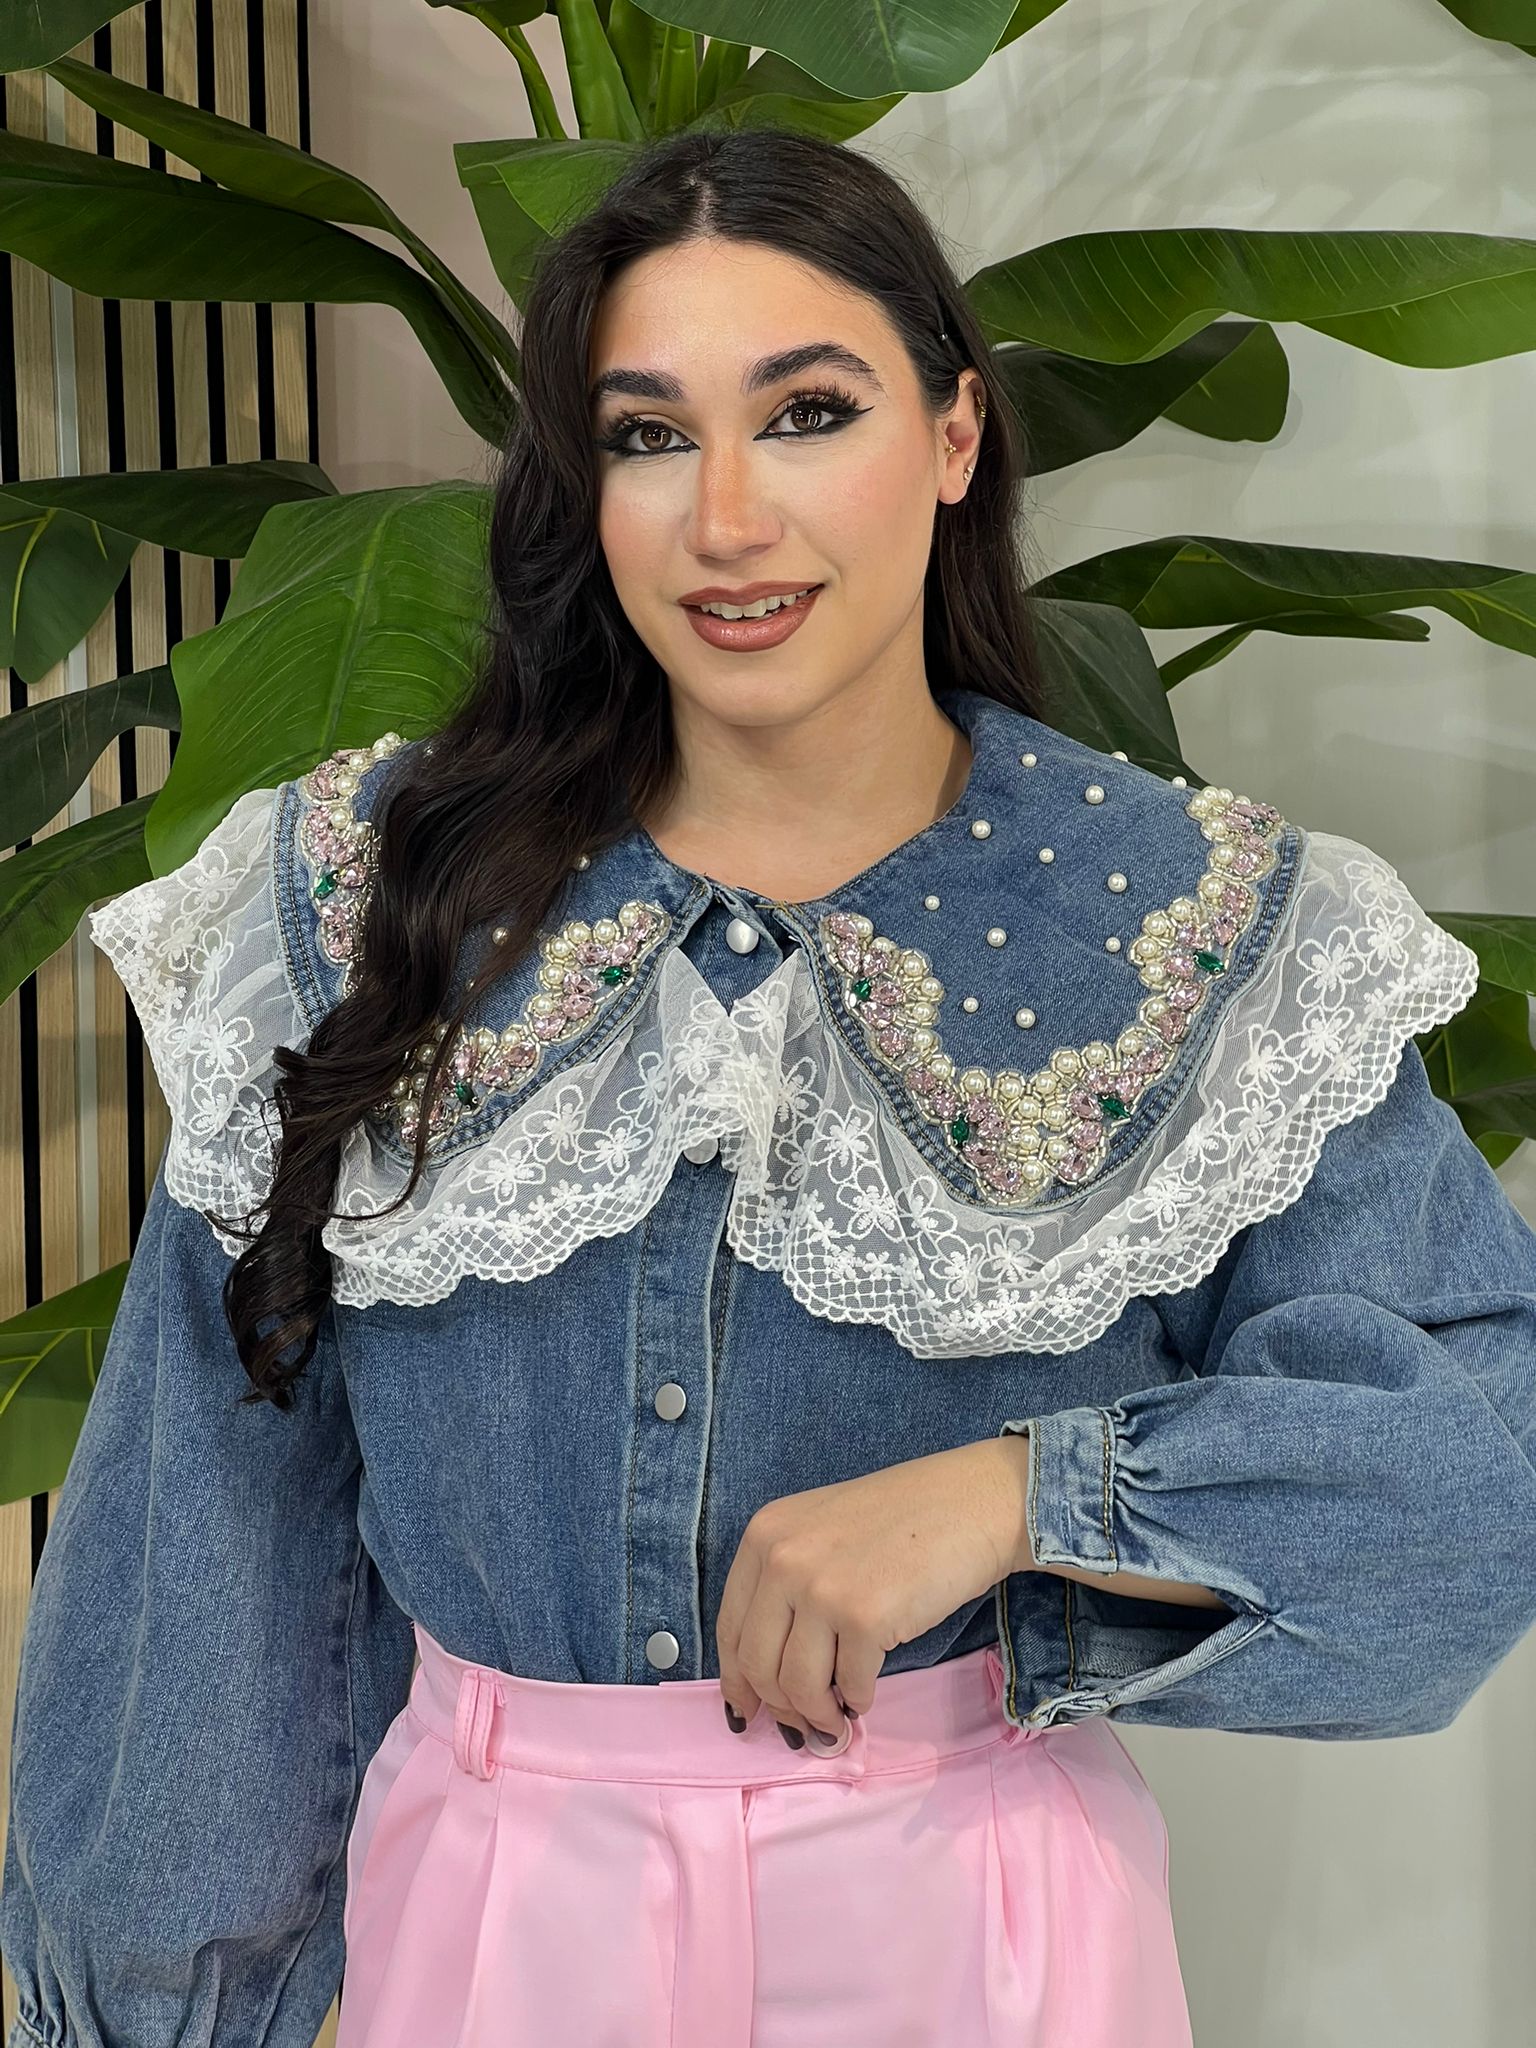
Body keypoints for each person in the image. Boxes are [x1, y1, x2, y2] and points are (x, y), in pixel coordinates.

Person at [4, 127, 1535, 2048]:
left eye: (808, 413)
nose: (727, 517)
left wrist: (1019, 1496)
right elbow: (211, 1554)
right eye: (649, 437)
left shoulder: (1191, 932)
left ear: (956, 436)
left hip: (978, 1943)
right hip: (497, 1934)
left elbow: (1476, 1486)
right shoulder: (361, 906)